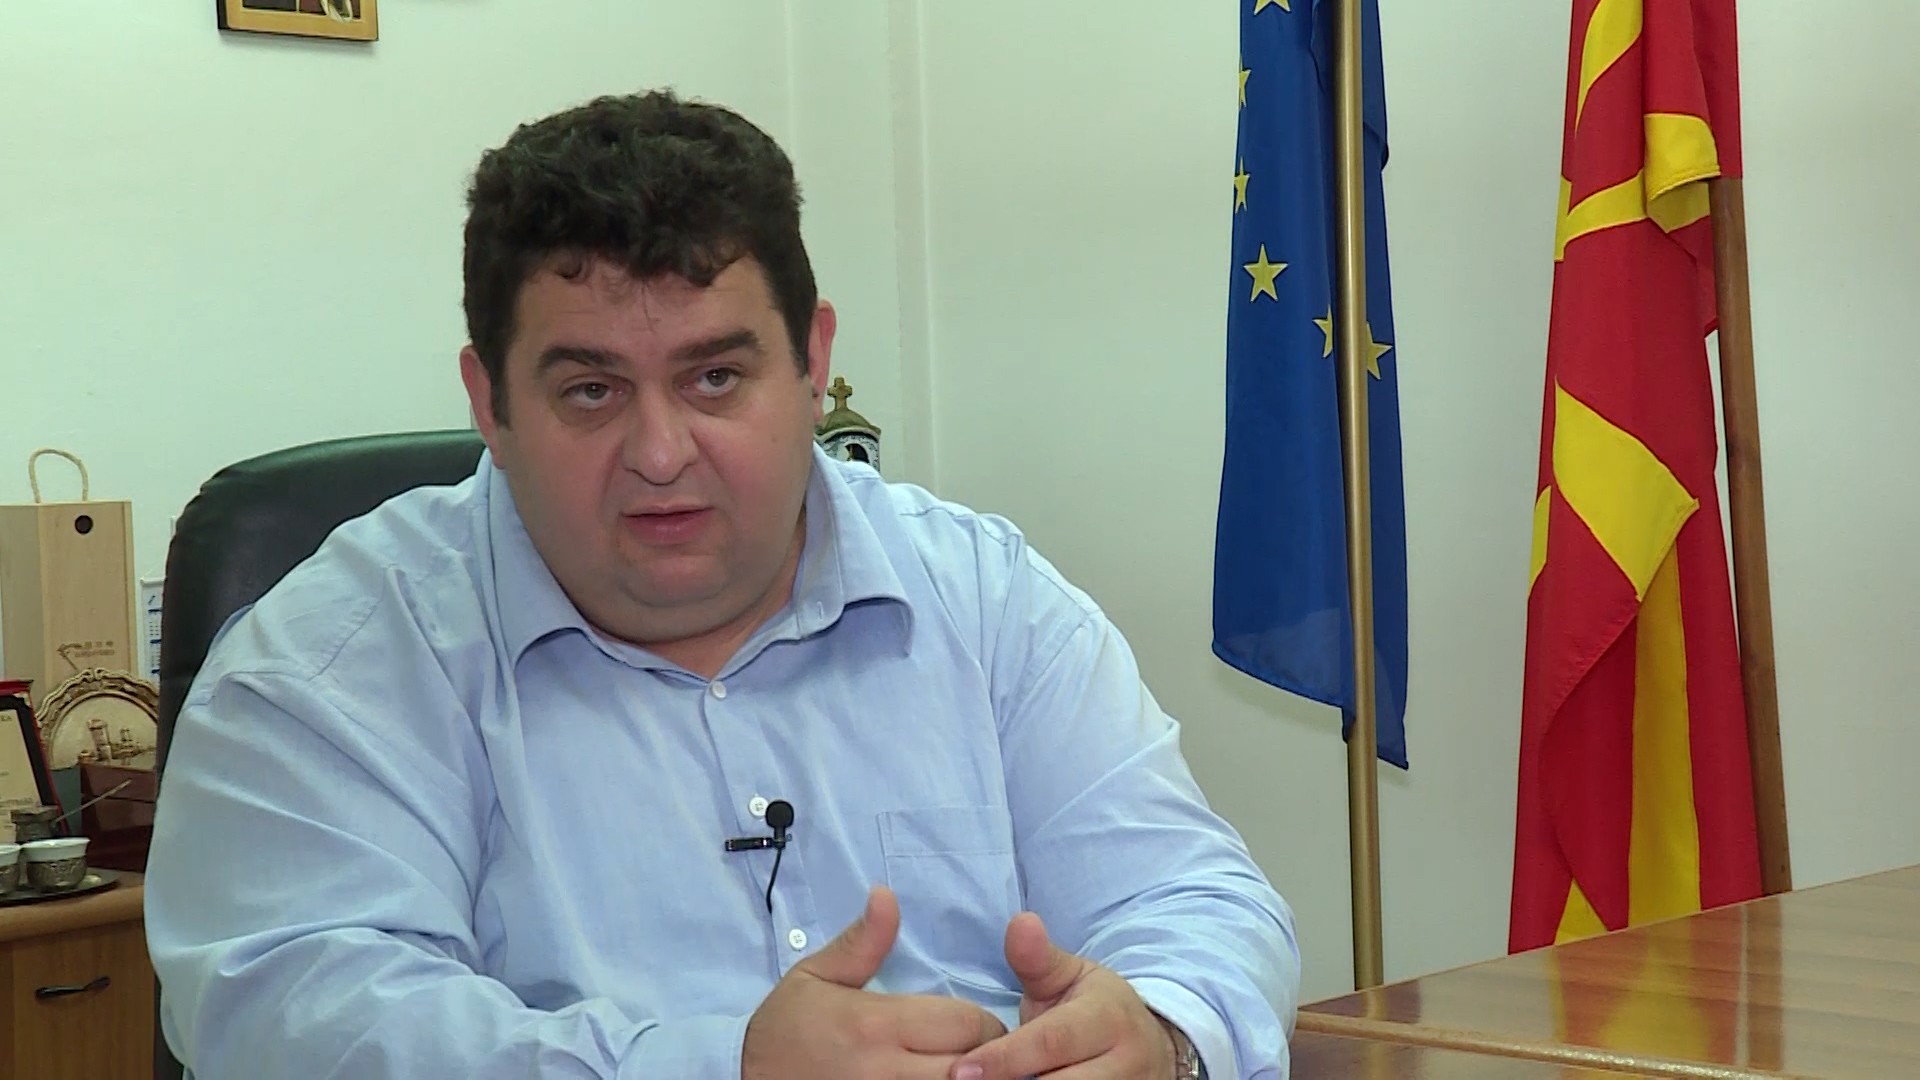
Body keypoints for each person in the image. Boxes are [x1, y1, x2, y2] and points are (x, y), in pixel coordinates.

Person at [145, 89, 1300, 1079]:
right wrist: (722, 1067)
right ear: (490, 403)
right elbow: (302, 1025)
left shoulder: (984, 598)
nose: (660, 453)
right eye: (591, 391)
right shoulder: (324, 671)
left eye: (714, 379)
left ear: (812, 362)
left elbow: (1192, 897)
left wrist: (1160, 1031)